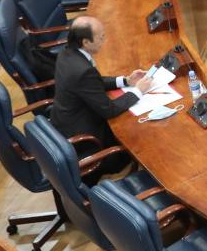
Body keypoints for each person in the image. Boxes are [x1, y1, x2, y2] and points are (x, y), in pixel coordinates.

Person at [49, 16, 148, 156]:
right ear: (86, 42)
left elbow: (92, 83)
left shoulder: (66, 54)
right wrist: (138, 91)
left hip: (64, 122)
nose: (104, 41)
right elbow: (109, 109)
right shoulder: (83, 71)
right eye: (101, 37)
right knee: (138, 135)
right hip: (86, 141)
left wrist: (126, 80)